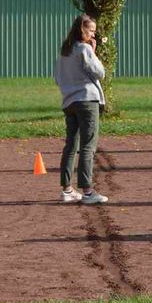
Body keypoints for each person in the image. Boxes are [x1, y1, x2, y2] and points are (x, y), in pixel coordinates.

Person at [53, 14, 108, 204]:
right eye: (91, 30)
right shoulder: (84, 49)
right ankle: (87, 191)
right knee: (88, 146)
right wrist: (93, 51)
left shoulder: (64, 51)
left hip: (69, 101)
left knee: (70, 145)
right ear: (83, 30)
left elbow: (57, 77)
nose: (93, 34)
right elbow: (100, 72)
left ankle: (67, 190)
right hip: (87, 100)